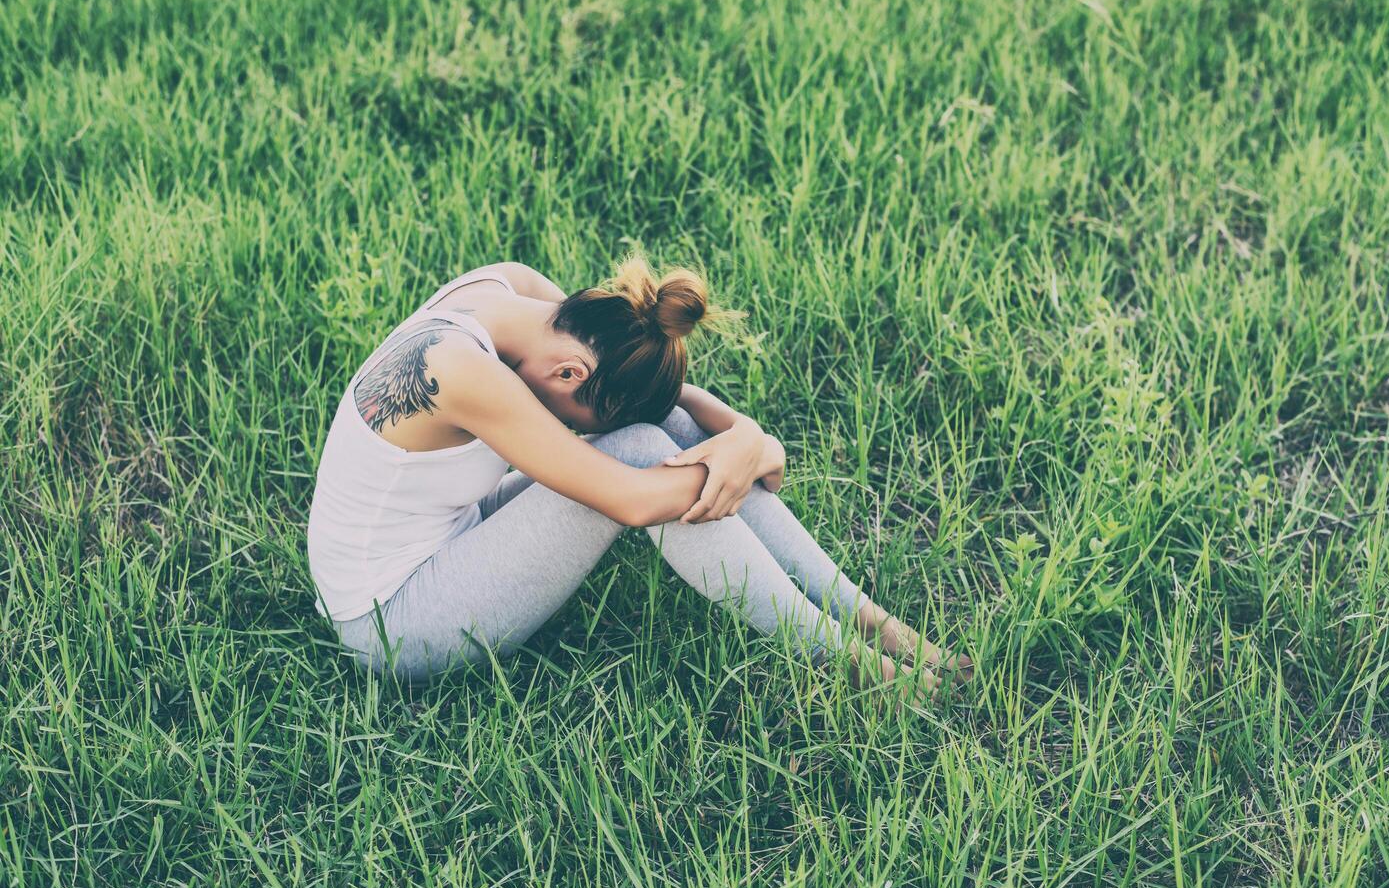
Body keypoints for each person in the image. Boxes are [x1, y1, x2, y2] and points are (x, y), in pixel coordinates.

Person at [307, 257, 972, 697]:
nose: (576, 426)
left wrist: (743, 437)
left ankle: (872, 620)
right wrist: (740, 456)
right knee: (636, 458)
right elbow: (629, 500)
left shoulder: (511, 293)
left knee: (656, 440)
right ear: (568, 374)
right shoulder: (458, 370)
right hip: (390, 624)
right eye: (580, 415)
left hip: (458, 535)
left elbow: (668, 407)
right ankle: (860, 666)